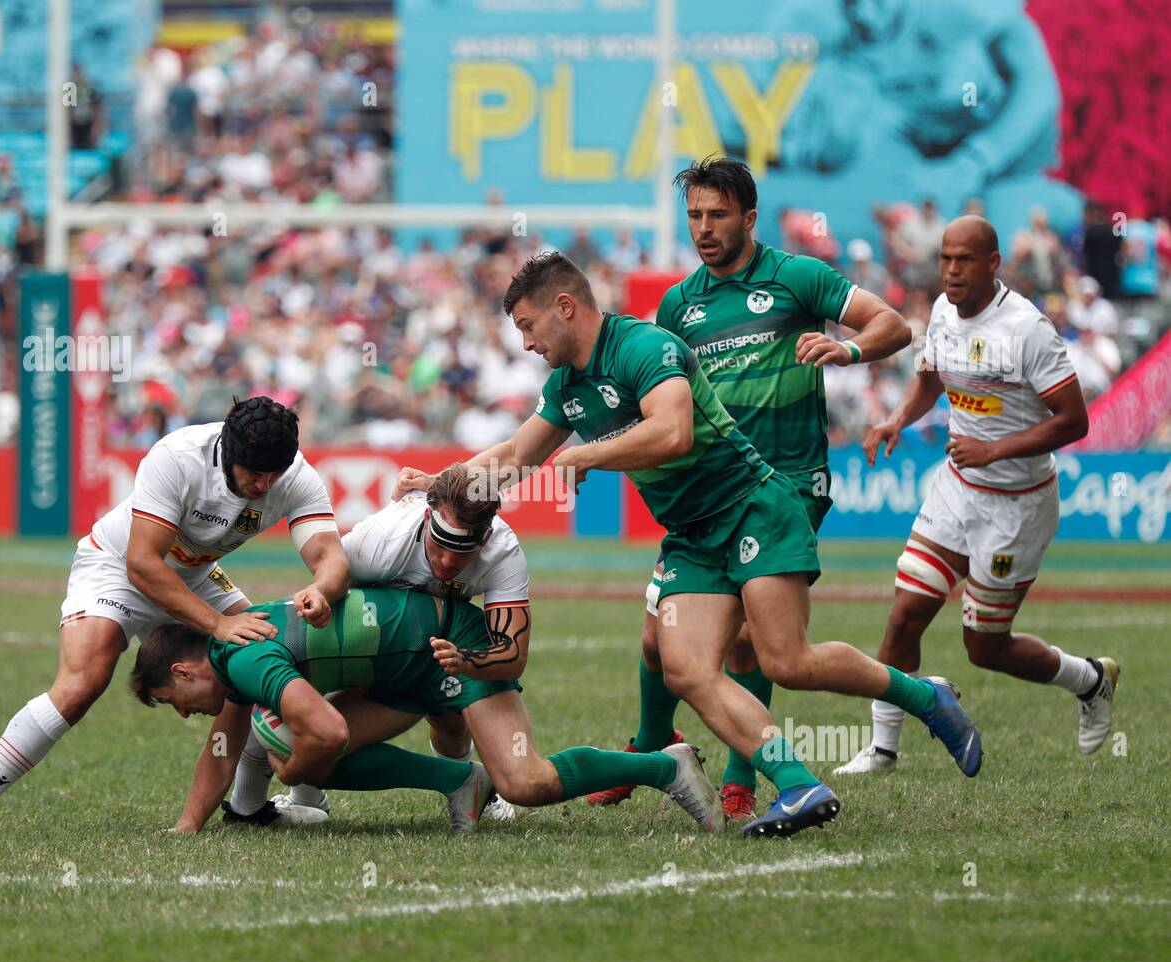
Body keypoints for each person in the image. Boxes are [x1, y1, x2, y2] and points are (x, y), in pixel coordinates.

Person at [402, 252, 983, 838]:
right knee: (686, 668)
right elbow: (515, 455)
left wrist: (588, 454)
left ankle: (925, 696)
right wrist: (446, 482)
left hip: (751, 506)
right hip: (693, 536)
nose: (525, 343)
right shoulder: (567, 386)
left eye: (527, 326)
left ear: (564, 307)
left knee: (787, 660)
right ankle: (800, 784)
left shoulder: (644, 346)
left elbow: (674, 432)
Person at [582, 157, 911, 819]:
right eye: (695, 215)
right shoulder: (679, 304)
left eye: (718, 215)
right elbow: (662, 390)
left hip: (784, 484)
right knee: (658, 637)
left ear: (750, 218)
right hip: (710, 490)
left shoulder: (797, 278)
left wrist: (845, 350)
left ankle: (737, 774)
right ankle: (657, 746)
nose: (704, 228)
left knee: (751, 643)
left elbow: (893, 327)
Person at [0, 397, 349, 833]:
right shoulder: (178, 458)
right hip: (116, 564)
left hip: (196, 573)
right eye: (254, 475)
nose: (264, 486)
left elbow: (330, 557)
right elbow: (143, 564)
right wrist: (218, 625)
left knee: (267, 654)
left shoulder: (292, 475)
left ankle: (252, 806)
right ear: (229, 452)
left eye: (273, 476)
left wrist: (320, 589)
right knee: (84, 680)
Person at [837, 217, 1117, 775]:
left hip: (1018, 504)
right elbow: (932, 377)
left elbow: (1074, 421)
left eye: (964, 260)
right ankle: (884, 748)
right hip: (958, 490)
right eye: (944, 259)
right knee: (904, 614)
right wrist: (895, 420)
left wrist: (996, 451)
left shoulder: (1027, 330)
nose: (951, 271)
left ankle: (1091, 679)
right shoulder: (942, 311)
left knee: (984, 647)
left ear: (993, 263)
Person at [139, 588, 725, 834]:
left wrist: (292, 776)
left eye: (174, 703)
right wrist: (188, 827)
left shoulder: (242, 661)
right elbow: (221, 748)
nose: (186, 715)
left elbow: (328, 727)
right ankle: (459, 781)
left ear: (184, 671)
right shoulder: (231, 658)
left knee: (525, 782)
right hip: (400, 674)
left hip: (453, 651)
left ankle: (664, 766)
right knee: (296, 746)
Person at [266, 462, 532, 823]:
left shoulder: (502, 551)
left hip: (446, 634)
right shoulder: (376, 543)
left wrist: (465, 661)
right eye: (441, 545)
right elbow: (337, 607)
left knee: (451, 718)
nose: (448, 562)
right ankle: (304, 796)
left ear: (484, 538)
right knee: (326, 692)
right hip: (381, 619)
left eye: (463, 551)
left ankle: (473, 789)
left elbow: (513, 654)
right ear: (426, 519)